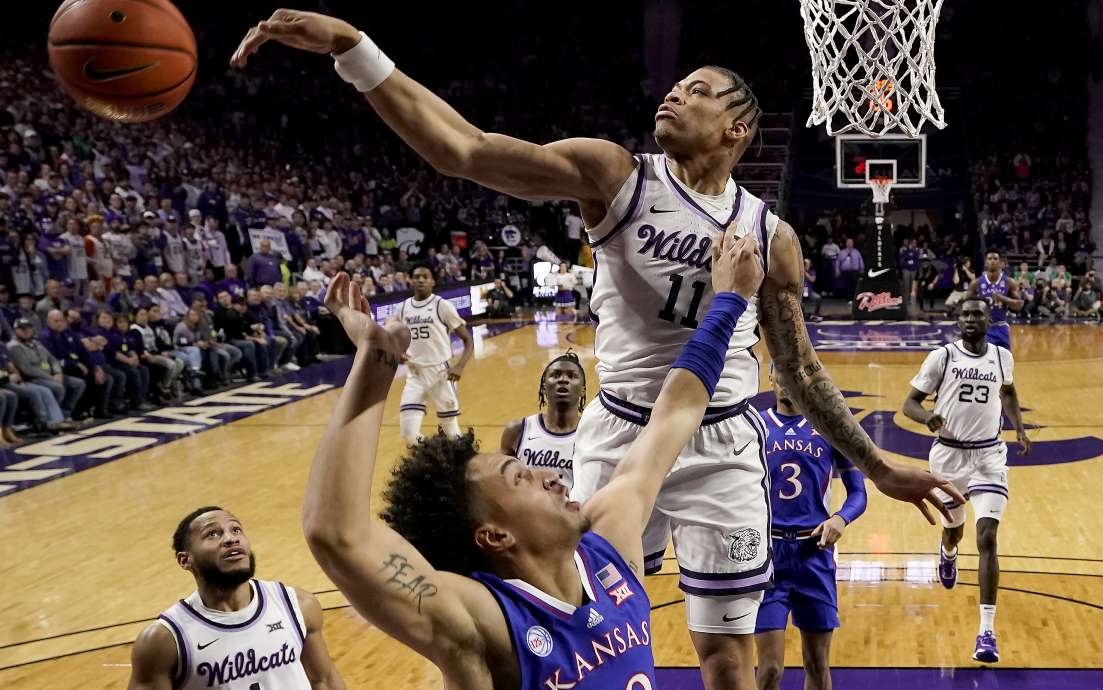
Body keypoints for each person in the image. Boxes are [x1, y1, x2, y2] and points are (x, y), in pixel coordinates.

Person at [233, 17, 959, 688]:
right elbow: (464, 150)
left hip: (723, 438)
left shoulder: (771, 235)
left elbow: (799, 369)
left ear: (736, 128)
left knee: (732, 663)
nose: (674, 94)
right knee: (582, 617)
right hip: (623, 435)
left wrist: (876, 465)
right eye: (676, 86)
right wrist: (355, 51)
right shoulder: (616, 175)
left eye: (697, 91)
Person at [297, 231, 760, 690]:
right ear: (495, 535)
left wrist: (730, 301)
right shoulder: (485, 625)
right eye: (519, 476)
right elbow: (335, 531)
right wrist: (376, 365)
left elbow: (674, 413)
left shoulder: (609, 544)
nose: (548, 476)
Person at [902, 297, 1031, 664]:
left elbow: (1008, 392)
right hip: (948, 454)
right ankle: (948, 553)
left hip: (990, 455)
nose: (972, 319)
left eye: (977, 313)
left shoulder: (1002, 357)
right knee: (954, 530)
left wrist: (1019, 428)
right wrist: (925, 417)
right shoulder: (942, 357)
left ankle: (986, 631)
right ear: (958, 321)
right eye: (966, 314)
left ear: (988, 319)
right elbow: (908, 403)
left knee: (988, 536)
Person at [126, 507, 346, 689]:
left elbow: (323, 681)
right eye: (213, 534)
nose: (231, 539)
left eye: (236, 530)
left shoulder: (297, 605)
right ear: (185, 560)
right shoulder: (163, 640)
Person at [754, 370, 866, 690]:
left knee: (817, 664)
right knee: (770, 669)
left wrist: (840, 519)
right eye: (782, 374)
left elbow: (858, 493)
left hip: (814, 552)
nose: (788, 382)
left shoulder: (830, 429)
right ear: (772, 377)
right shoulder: (755, 426)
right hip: (768, 556)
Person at [395, 265, 474, 442]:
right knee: (408, 433)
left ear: (433, 281)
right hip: (414, 373)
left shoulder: (442, 305)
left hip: (441, 373)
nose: (421, 280)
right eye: (416, 276)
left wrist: (459, 366)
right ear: (410, 280)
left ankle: (461, 463)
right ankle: (435, 457)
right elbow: (395, 338)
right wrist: (398, 351)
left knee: (451, 433)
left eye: (425, 276)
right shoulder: (401, 308)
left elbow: (468, 340)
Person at [499, 351, 585, 489]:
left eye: (572, 376)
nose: (563, 379)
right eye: (555, 375)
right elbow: (502, 483)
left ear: (583, 390)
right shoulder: (518, 430)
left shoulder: (592, 433)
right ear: (544, 387)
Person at [969, 250, 1023, 350]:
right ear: (985, 262)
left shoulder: (1010, 282)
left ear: (1000, 262)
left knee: (1005, 362)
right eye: (990, 259)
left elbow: (1019, 305)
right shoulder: (976, 283)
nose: (992, 261)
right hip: (984, 328)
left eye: (995, 258)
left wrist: (1002, 298)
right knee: (987, 362)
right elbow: (966, 307)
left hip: (1002, 327)